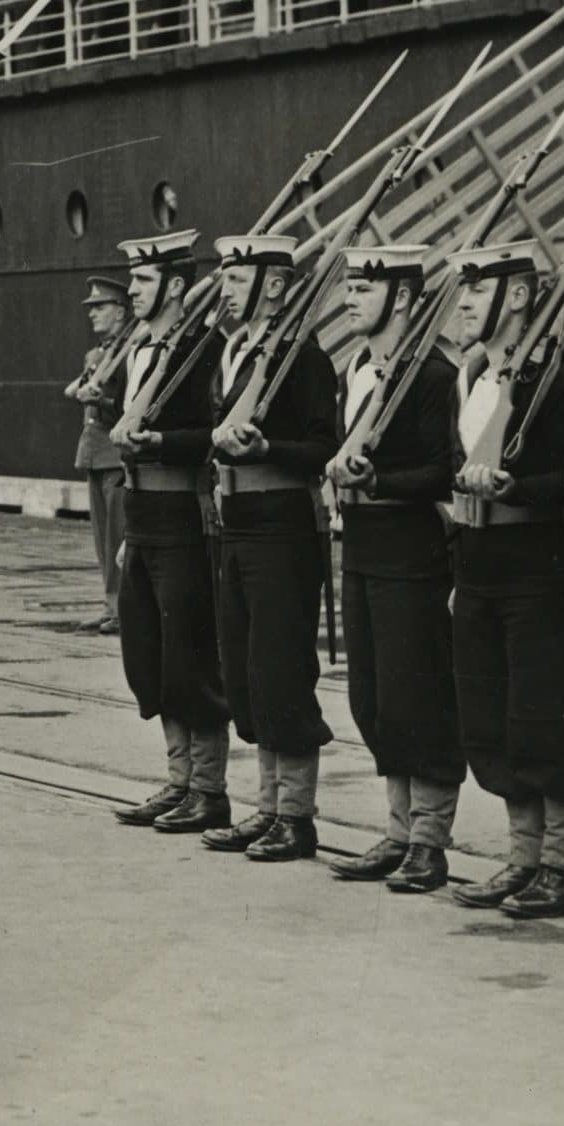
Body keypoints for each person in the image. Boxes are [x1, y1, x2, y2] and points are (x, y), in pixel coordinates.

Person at [446, 241, 564, 919]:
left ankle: (562, 867)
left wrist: (519, 487)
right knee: (493, 717)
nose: (465, 303)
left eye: (479, 291)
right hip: (477, 562)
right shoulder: (472, 372)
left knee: (545, 717)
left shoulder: (553, 377)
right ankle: (523, 858)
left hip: (536, 561)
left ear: (517, 298)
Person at [322, 246, 460, 894]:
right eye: (348, 286)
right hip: (364, 547)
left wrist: (381, 480)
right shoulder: (357, 368)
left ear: (402, 298)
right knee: (372, 695)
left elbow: (444, 469)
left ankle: (429, 840)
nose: (351, 298)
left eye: (364, 288)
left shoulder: (432, 375)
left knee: (418, 695)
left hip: (411, 549)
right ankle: (399, 829)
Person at [201, 233, 338, 864]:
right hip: (238, 519)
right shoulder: (235, 351)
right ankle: (266, 807)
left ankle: (296, 815)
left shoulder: (301, 358)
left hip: (283, 521)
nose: (227, 288)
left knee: (282, 668)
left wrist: (266, 451)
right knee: (246, 666)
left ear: (275, 286)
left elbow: (322, 448)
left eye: (239, 277)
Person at [106, 231, 232, 833]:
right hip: (142, 517)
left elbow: (214, 433)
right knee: (149, 655)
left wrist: (157, 441)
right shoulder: (138, 351)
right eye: (132, 281)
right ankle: (178, 779)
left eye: (144, 282)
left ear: (177, 286)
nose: (133, 291)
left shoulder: (204, 349)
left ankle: (209, 788)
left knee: (189, 655)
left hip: (183, 516)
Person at [68, 277, 131, 633]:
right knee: (102, 538)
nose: (93, 314)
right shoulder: (98, 354)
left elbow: (126, 405)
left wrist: (99, 401)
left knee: (117, 536)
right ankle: (111, 604)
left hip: (114, 454)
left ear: (120, 312)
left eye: (101, 307)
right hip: (94, 453)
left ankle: (123, 608)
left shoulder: (126, 353)